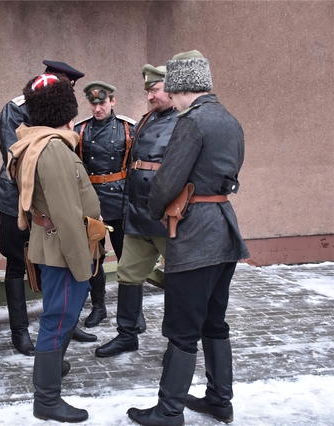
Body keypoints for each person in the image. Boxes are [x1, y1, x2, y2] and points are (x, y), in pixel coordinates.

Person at [126, 50, 250, 426]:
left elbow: (166, 182)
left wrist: (154, 209)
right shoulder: (229, 119)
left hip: (194, 233)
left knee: (181, 328)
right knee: (214, 321)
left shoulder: (192, 121)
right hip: (224, 229)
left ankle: (169, 411)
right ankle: (219, 401)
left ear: (180, 87)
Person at [7, 73, 100, 423]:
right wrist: (83, 265)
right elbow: (66, 214)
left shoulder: (35, 142)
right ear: (66, 112)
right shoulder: (54, 149)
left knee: (61, 315)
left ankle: (54, 366)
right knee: (58, 320)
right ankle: (46, 400)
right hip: (66, 250)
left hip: (54, 246)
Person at [0, 60, 95, 356]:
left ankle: (66, 324)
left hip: (55, 201)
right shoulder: (15, 108)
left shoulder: (58, 112)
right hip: (17, 201)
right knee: (16, 264)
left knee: (57, 263)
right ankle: (20, 332)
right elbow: (16, 159)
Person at [95, 65, 178, 357]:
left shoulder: (186, 121)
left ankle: (178, 346)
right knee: (128, 275)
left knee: (180, 283)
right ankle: (127, 334)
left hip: (171, 220)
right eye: (148, 91)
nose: (150, 96)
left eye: (154, 90)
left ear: (172, 89)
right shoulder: (145, 121)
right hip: (139, 218)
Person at [73, 82, 135, 328]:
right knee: (94, 258)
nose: (98, 108)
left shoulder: (128, 129)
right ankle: (99, 307)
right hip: (92, 202)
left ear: (113, 101)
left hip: (120, 202)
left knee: (127, 259)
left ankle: (132, 311)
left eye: (102, 103)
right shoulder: (80, 131)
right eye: (93, 103)